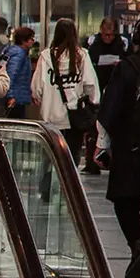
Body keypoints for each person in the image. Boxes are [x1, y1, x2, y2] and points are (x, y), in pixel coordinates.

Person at [101, 16, 140, 278]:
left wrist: (103, 145)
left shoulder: (127, 68)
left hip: (131, 149)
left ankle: (138, 246)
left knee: (125, 202)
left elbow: (111, 108)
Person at [33, 18, 101, 173]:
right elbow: (90, 84)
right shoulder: (82, 55)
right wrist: (93, 103)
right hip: (74, 116)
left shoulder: (45, 56)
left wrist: (41, 97)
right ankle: (68, 189)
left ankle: (46, 191)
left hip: (50, 117)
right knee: (71, 156)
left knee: (50, 157)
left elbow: (37, 87)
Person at [86, 17, 130, 171]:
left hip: (116, 86)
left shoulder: (122, 44)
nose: (108, 38)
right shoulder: (93, 42)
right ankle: (92, 161)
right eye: (105, 35)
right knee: (95, 126)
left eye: (111, 35)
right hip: (98, 83)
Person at [2, 26, 37, 118]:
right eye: (31, 39)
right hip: (16, 97)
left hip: (18, 96)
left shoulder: (17, 52)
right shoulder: (19, 54)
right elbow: (11, 75)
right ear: (23, 40)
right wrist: (11, 96)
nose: (33, 41)